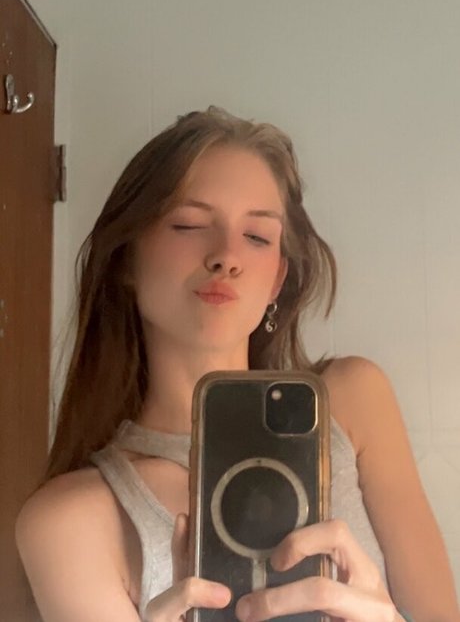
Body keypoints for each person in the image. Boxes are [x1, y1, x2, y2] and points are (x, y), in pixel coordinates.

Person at [16, 107, 459, 621]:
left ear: (276, 280)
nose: (226, 256)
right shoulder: (70, 521)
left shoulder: (354, 403)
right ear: (126, 260)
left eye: (257, 237)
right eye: (188, 225)